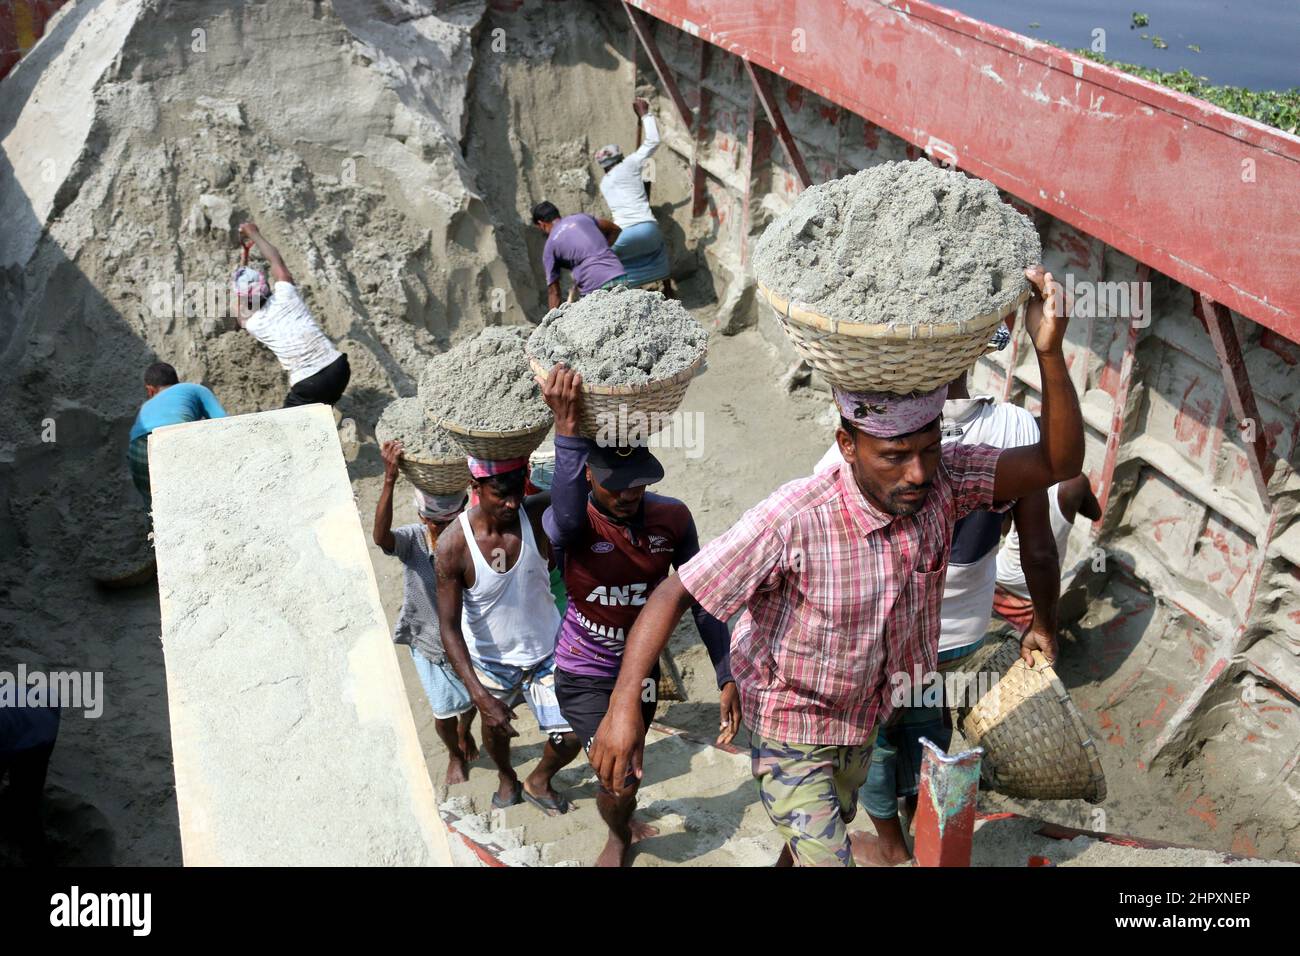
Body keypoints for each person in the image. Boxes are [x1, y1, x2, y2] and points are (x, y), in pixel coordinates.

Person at [585, 266, 1084, 866]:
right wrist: (621, 711)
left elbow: (1058, 460)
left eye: (928, 451)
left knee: (813, 842)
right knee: (831, 857)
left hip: (863, 717)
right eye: (895, 456)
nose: (918, 473)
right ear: (849, 447)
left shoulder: (947, 482)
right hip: (790, 721)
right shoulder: (794, 517)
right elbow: (674, 594)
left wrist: (1048, 352)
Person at [816, 370, 1063, 866]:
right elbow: (1038, 547)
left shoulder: (879, 429)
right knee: (931, 722)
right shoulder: (1015, 425)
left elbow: (824, 521)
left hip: (884, 634)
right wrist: (1043, 625)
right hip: (958, 634)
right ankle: (924, 825)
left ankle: (890, 847)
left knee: (877, 735)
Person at [540, 365, 738, 866]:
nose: (628, 493)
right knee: (619, 775)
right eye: (615, 485)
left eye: (638, 483)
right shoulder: (571, 521)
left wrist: (725, 672)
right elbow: (563, 521)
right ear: (588, 475)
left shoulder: (672, 519)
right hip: (584, 671)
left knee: (632, 760)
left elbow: (704, 594)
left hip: (642, 673)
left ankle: (615, 808)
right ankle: (619, 835)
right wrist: (566, 430)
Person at [434, 456, 581, 814]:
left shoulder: (535, 515)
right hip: (492, 662)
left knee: (572, 735)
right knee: (495, 732)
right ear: (476, 488)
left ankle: (539, 779)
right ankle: (506, 775)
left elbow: (579, 490)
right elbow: (449, 627)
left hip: (547, 652)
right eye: (501, 494)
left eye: (517, 492)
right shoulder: (454, 546)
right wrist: (481, 696)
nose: (511, 503)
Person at [373, 440, 477, 786]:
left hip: (468, 639)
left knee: (473, 700)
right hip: (428, 640)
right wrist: (389, 480)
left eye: (449, 523)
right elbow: (381, 538)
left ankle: (467, 733)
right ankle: (454, 752)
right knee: (444, 712)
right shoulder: (413, 541)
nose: (441, 530)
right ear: (422, 518)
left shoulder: (471, 542)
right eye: (435, 524)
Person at [232, 222, 351, 408]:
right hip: (339, 368)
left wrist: (240, 272)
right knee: (322, 406)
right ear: (265, 284)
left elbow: (240, 312)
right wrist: (253, 233)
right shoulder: (286, 293)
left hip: (309, 383)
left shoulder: (254, 324)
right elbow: (275, 259)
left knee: (290, 426)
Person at [994, 474, 1101, 632]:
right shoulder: (1075, 483)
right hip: (1037, 588)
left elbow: (1005, 530)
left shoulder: (1020, 476)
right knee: (1043, 642)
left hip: (1001, 574)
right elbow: (1096, 514)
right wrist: (1074, 501)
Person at [595, 98, 674, 296]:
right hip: (648, 228)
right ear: (620, 157)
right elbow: (653, 141)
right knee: (659, 250)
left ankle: (625, 295)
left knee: (617, 265)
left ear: (603, 166)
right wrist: (645, 114)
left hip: (624, 234)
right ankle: (667, 288)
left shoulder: (604, 184)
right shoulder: (630, 164)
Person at [128, 362, 227, 510]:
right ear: (177, 381)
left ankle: (153, 529)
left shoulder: (146, 406)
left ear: (150, 390)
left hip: (137, 447)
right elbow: (224, 422)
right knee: (190, 494)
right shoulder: (195, 389)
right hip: (174, 435)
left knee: (154, 505)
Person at [531, 201, 627, 310]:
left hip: (594, 285)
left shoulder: (550, 246)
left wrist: (551, 322)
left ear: (541, 224)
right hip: (619, 275)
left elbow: (554, 292)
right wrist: (602, 248)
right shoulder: (582, 218)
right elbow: (615, 229)